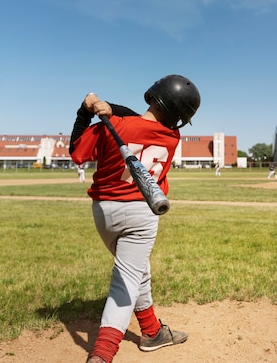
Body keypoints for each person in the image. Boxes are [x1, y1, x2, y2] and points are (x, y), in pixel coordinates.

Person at [69, 74, 201, 363]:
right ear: (179, 116)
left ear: (152, 95)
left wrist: (86, 109)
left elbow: (76, 153)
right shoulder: (172, 136)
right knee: (126, 278)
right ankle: (102, 355)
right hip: (143, 212)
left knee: (138, 270)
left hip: (104, 211)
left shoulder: (114, 125)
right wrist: (108, 108)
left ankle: (153, 332)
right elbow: (142, 121)